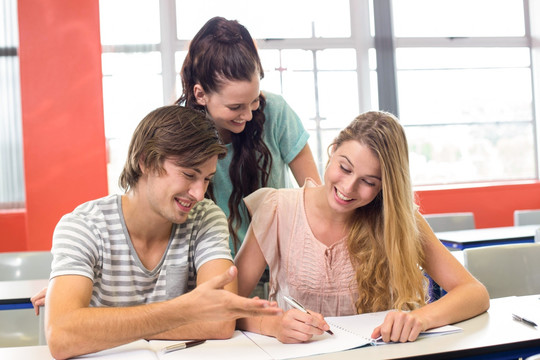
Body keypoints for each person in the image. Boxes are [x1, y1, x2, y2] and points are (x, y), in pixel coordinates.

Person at [40, 106, 281, 360]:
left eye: (207, 179)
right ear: (146, 161)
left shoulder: (205, 219)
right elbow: (62, 335)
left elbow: (221, 321)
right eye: (189, 174)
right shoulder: (84, 226)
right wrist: (185, 310)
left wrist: (103, 327)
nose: (199, 194)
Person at [234, 111, 490, 344]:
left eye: (368, 181)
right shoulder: (277, 209)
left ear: (384, 188)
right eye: (344, 168)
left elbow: (474, 293)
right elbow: (227, 307)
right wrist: (273, 325)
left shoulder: (397, 220)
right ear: (332, 150)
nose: (348, 188)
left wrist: (420, 319)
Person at [176, 16, 321, 254]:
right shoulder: (180, 132)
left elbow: (314, 192)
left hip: (277, 264)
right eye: (235, 107)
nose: (248, 115)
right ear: (201, 94)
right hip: (211, 267)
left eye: (254, 100)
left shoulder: (275, 110)